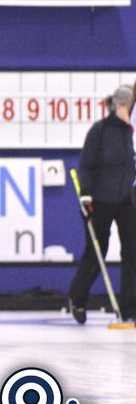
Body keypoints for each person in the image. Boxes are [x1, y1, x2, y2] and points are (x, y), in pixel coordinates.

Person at [67, 84, 136, 324]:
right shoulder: (100, 131)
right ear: (120, 106)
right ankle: (77, 298)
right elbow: (86, 164)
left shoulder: (129, 131)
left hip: (126, 198)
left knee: (132, 252)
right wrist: (86, 194)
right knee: (97, 252)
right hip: (99, 200)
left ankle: (129, 308)